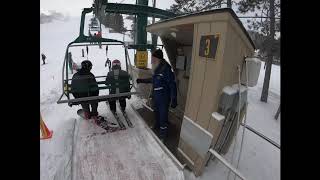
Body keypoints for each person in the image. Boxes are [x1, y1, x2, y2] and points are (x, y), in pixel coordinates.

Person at [136, 49, 177, 141]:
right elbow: (154, 80)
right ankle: (157, 126)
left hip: (163, 98)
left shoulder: (165, 69)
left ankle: (163, 135)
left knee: (163, 116)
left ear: (158, 59)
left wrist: (174, 98)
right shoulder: (157, 68)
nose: (151, 61)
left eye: (153, 59)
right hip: (156, 96)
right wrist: (142, 80)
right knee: (156, 113)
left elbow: (172, 84)